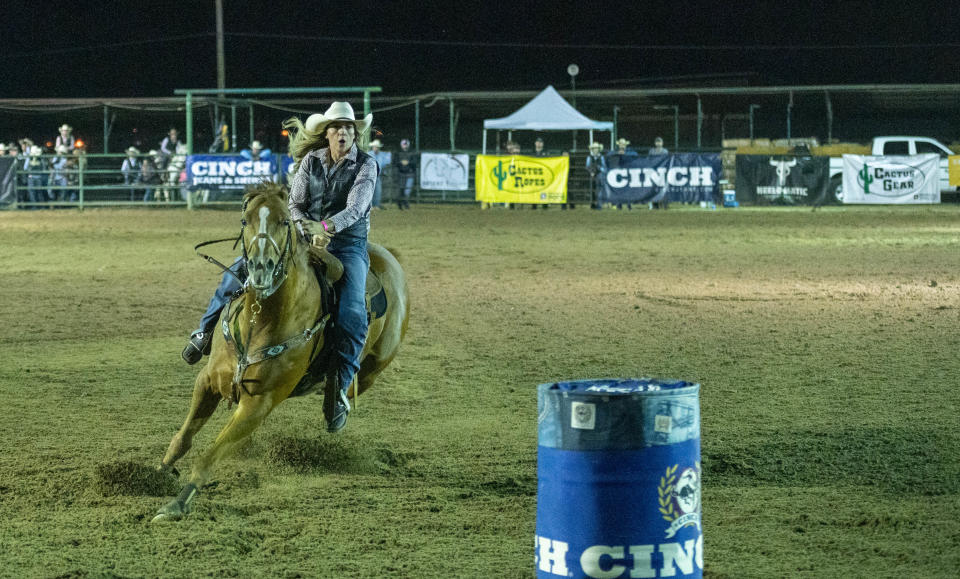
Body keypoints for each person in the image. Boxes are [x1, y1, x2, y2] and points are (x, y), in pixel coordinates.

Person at [181, 101, 377, 434]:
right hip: (304, 236)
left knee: (354, 313)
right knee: (241, 268)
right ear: (326, 133)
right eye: (337, 127)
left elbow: (356, 209)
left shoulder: (366, 165)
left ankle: (339, 389)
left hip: (348, 245)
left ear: (354, 133)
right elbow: (294, 205)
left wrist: (325, 230)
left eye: (349, 127)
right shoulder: (311, 163)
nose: (343, 132)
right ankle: (203, 332)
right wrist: (303, 229)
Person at [613, 138, 636, 210]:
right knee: (619, 189)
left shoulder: (629, 151)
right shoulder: (615, 151)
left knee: (627, 190)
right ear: (619, 145)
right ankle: (619, 204)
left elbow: (635, 154)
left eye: (623, 144)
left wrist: (625, 154)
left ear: (625, 145)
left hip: (627, 172)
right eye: (621, 144)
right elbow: (610, 154)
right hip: (619, 173)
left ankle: (629, 205)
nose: (622, 145)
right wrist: (617, 154)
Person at [367, 139, 390, 210]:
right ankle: (370, 206)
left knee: (378, 191)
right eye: (375, 147)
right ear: (373, 147)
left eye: (377, 147)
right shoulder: (369, 154)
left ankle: (376, 205)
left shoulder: (382, 155)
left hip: (378, 176)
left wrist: (385, 172)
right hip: (370, 176)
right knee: (370, 191)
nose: (376, 148)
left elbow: (386, 163)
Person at [395, 138, 416, 210]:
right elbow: (395, 162)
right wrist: (401, 163)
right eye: (404, 144)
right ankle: (402, 203)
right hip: (401, 174)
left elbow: (414, 163)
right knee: (402, 189)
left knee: (407, 190)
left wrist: (408, 163)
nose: (405, 146)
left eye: (406, 144)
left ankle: (403, 202)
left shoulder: (412, 153)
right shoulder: (398, 153)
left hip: (409, 174)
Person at [586, 142, 607, 210]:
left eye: (596, 148)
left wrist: (599, 168)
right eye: (594, 148)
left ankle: (599, 204)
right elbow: (587, 166)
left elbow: (604, 168)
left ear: (598, 149)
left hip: (599, 175)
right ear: (592, 150)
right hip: (592, 175)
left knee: (599, 189)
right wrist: (591, 172)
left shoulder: (601, 157)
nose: (595, 150)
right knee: (592, 189)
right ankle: (592, 203)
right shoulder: (589, 157)